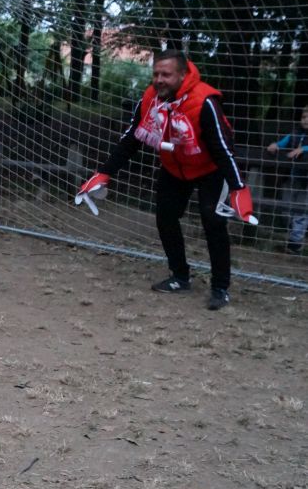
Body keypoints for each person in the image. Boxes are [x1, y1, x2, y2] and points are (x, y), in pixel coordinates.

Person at [76, 50, 255, 310]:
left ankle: (220, 287)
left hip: (209, 168)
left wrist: (238, 187)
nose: (159, 79)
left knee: (213, 222)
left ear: (182, 75)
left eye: (166, 74)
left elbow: (223, 148)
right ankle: (180, 276)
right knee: (165, 217)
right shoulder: (150, 98)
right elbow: (131, 138)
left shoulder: (204, 102)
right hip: (174, 167)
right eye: (156, 74)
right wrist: (104, 172)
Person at [266, 105, 308, 254]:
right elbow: (282, 143)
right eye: (304, 117)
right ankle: (293, 235)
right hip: (292, 178)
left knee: (301, 210)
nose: (306, 120)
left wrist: (303, 149)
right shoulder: (295, 134)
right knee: (286, 208)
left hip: (306, 182)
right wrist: (275, 145)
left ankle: (295, 244)